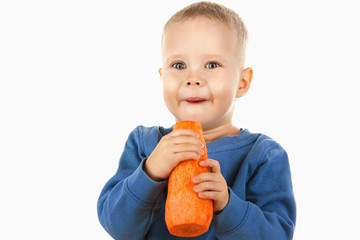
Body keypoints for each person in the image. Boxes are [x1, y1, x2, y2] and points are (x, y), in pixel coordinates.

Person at [97, 1, 296, 239]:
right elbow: (117, 227)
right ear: (162, 77)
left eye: (212, 64)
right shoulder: (144, 144)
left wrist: (227, 205)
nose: (193, 78)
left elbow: (278, 235)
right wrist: (150, 173)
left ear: (242, 83)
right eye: (178, 65)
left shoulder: (263, 155)